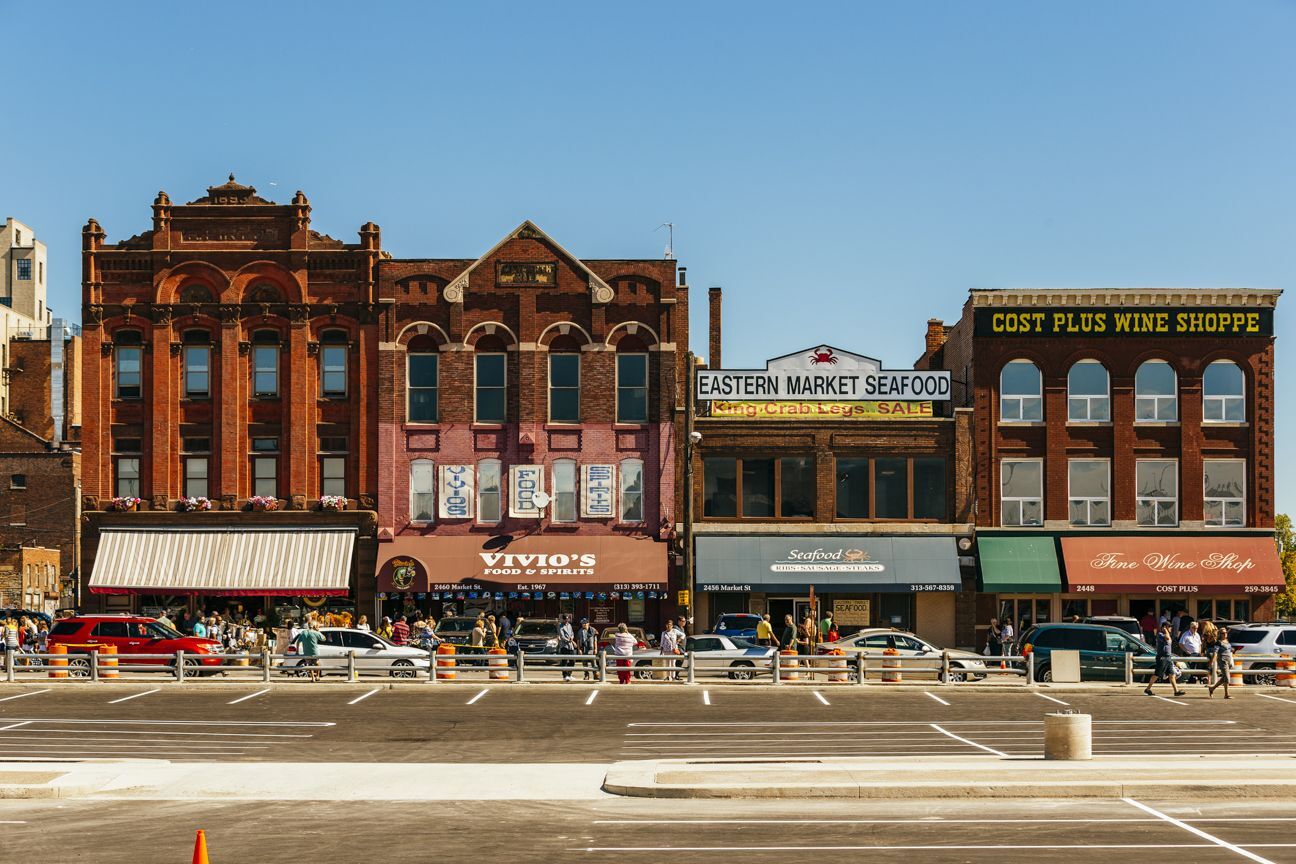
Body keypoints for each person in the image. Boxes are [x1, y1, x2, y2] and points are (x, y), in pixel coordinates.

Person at [1145, 622, 1185, 698]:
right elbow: (1167, 638)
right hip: (1162, 658)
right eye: (1169, 627)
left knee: (1172, 674)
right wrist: (1165, 630)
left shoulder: (1167, 634)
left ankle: (1176, 691)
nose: (1170, 628)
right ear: (1164, 627)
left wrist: (1167, 631)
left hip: (1168, 658)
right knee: (1157, 674)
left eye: (1170, 627)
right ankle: (1147, 689)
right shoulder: (1160, 634)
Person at [1208, 625, 1234, 699]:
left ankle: (1212, 689)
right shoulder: (1218, 642)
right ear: (1220, 634)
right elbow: (1215, 653)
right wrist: (1212, 662)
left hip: (1228, 661)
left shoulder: (1227, 641)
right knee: (1227, 678)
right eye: (1223, 633)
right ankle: (1226, 694)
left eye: (1226, 632)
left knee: (1224, 678)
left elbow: (1229, 650)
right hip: (1223, 661)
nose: (1225, 634)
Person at [557, 614, 577, 681]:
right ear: (563, 619)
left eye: (567, 619)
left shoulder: (570, 625)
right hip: (564, 646)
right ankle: (565, 676)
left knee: (572, 661)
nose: (566, 620)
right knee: (564, 661)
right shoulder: (560, 626)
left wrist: (572, 637)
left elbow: (572, 633)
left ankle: (569, 674)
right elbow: (562, 636)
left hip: (571, 646)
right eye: (565, 619)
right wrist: (569, 639)